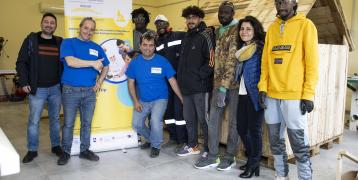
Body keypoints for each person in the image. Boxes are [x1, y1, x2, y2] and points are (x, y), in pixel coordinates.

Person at [257, 0, 319, 179]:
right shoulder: (273, 28)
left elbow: (312, 64)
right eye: (277, 2)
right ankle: (281, 175)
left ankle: (305, 177)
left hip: (294, 96)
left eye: (285, 1)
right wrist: (263, 87)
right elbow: (265, 62)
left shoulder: (306, 26)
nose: (281, 4)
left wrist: (308, 94)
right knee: (275, 141)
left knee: (298, 142)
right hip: (271, 95)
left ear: (294, 3)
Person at [57, 17, 110, 165]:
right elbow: (70, 61)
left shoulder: (97, 48)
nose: (88, 31)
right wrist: (92, 63)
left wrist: (99, 82)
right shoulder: (68, 43)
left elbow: (106, 66)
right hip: (70, 91)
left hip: (89, 92)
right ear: (80, 28)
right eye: (86, 28)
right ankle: (65, 152)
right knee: (68, 123)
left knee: (86, 123)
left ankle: (84, 150)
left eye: (92, 29)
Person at [194, 1, 239, 171]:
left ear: (233, 13)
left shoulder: (237, 29)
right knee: (213, 120)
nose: (223, 15)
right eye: (221, 12)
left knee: (234, 122)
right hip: (217, 84)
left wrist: (223, 87)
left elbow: (232, 61)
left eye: (226, 13)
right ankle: (213, 156)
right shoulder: (218, 30)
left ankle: (230, 156)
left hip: (233, 85)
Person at [126, 31, 183, 158]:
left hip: (160, 99)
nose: (147, 48)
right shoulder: (134, 63)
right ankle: (152, 139)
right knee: (136, 124)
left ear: (154, 46)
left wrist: (181, 97)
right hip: (143, 100)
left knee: (155, 121)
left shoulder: (162, 61)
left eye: (151, 45)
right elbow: (130, 84)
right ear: (140, 46)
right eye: (145, 45)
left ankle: (156, 146)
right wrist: (135, 101)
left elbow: (172, 81)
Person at [16, 12, 63, 163]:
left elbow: (65, 63)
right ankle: (32, 149)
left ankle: (56, 146)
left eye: (52, 23)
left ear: (55, 26)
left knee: (55, 119)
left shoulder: (59, 42)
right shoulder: (31, 40)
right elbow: (21, 62)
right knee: (34, 121)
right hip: (37, 89)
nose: (49, 25)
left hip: (56, 88)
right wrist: (24, 82)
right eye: (46, 22)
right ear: (41, 23)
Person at [176, 6, 214, 158]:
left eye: (193, 18)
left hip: (200, 87)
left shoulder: (206, 36)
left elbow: (211, 61)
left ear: (199, 19)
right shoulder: (186, 37)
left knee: (204, 119)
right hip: (186, 88)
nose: (190, 21)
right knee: (189, 119)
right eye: (188, 18)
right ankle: (193, 145)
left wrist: (198, 76)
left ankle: (209, 148)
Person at [235, 16, 265, 178]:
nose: (244, 32)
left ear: (255, 31)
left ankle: (253, 162)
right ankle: (254, 160)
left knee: (254, 130)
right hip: (242, 94)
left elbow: (265, 72)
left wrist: (263, 91)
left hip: (256, 95)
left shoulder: (260, 48)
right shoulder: (242, 49)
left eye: (248, 29)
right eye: (242, 29)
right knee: (241, 128)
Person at [154, 14, 187, 151]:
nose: (160, 26)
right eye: (157, 24)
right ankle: (173, 137)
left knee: (179, 112)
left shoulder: (180, 35)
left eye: (162, 23)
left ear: (168, 24)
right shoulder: (158, 42)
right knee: (168, 112)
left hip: (178, 80)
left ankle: (183, 140)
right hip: (165, 83)